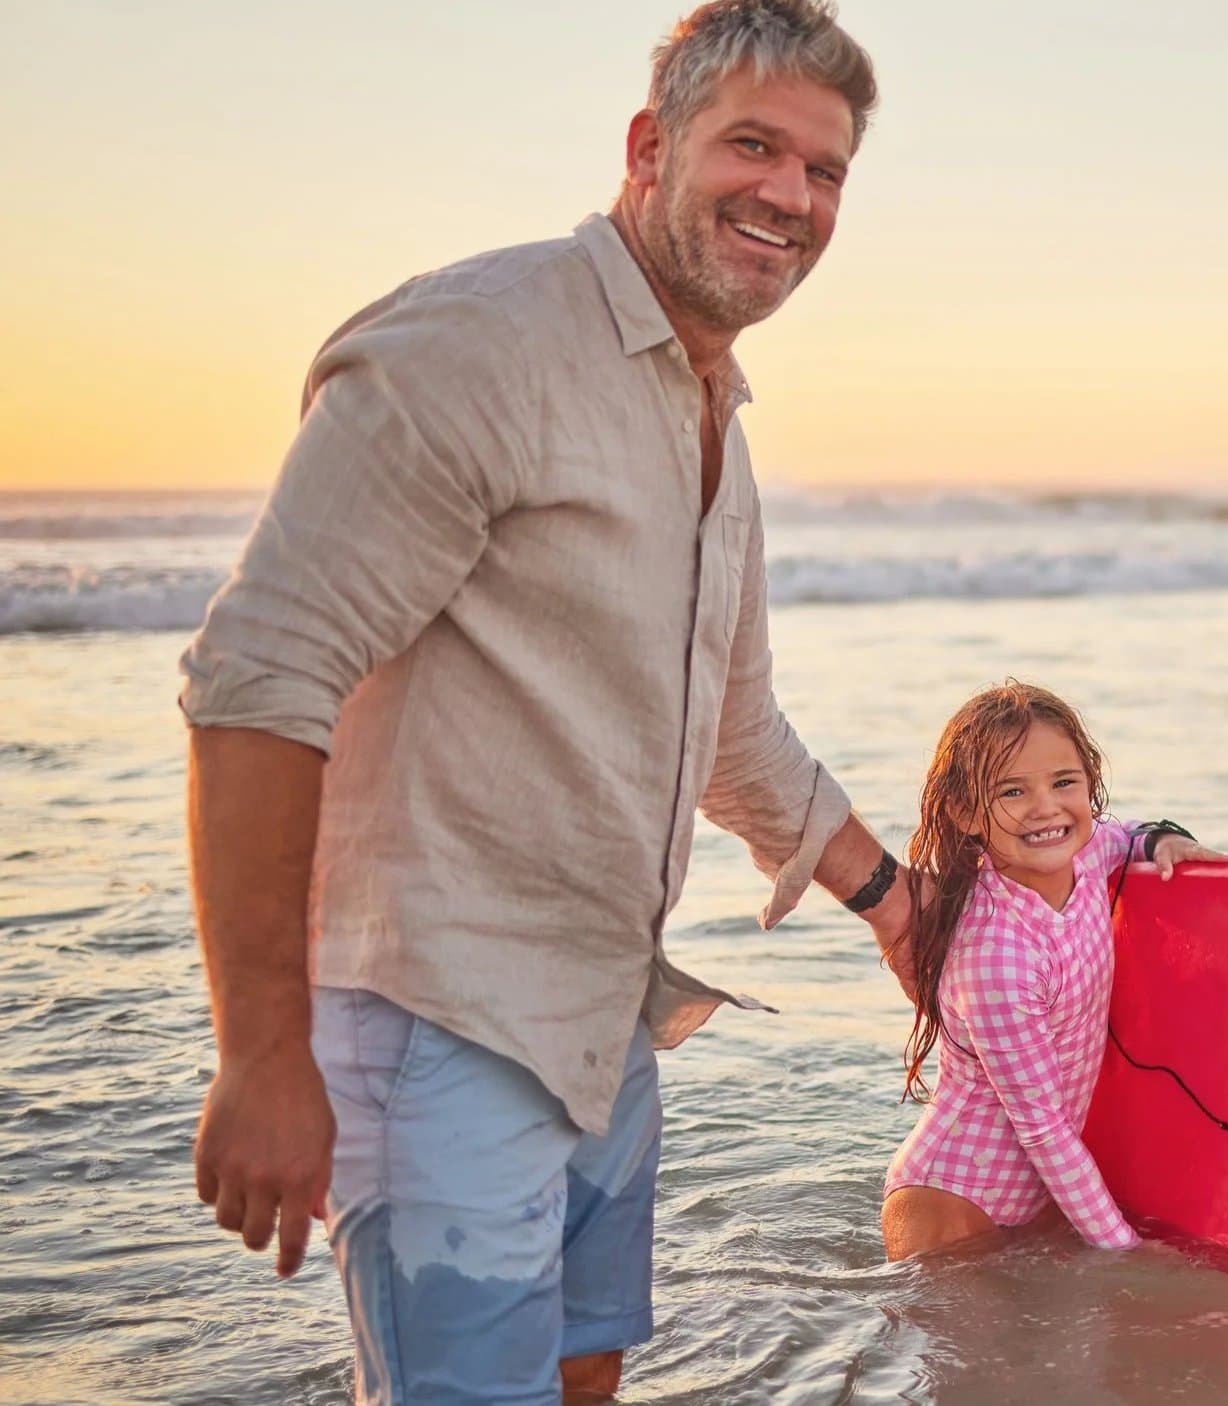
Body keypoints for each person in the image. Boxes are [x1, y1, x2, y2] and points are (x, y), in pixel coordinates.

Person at [177, 3, 902, 1399]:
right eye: (752, 146)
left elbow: (732, 730)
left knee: (585, 1382)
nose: (789, 198)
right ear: (649, 145)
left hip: (602, 1026)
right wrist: (261, 1053)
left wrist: (896, 904)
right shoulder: (480, 345)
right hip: (435, 1030)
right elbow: (258, 678)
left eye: (823, 173)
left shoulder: (711, 418)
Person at [882, 682, 1228, 1259]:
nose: (1046, 807)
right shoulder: (997, 956)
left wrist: (1162, 839)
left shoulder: (1086, 856)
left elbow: (1123, 834)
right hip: (952, 1210)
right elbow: (1042, 1128)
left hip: (1040, 1201)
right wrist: (1122, 1249)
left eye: (1064, 782)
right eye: (1013, 791)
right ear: (966, 813)